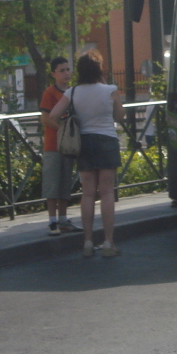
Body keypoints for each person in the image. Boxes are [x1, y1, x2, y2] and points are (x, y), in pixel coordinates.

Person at [44, 51, 124, 258]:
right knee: (106, 193)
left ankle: (87, 242)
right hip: (106, 140)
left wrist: (65, 130)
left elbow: (52, 116)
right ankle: (108, 242)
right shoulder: (110, 90)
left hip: (83, 142)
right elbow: (119, 116)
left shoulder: (72, 92)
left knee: (87, 193)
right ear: (99, 69)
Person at [38, 56, 83, 236]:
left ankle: (63, 219)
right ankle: (52, 221)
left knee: (65, 183)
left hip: (68, 145)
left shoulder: (74, 91)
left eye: (68, 69)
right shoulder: (50, 93)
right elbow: (45, 118)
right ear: (53, 74)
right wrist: (64, 131)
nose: (66, 73)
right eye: (62, 70)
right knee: (52, 183)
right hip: (53, 144)